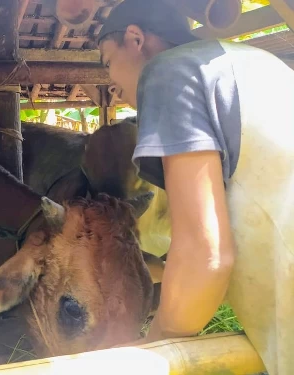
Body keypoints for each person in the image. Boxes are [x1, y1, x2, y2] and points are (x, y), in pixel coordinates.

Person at [95, 0, 294, 373]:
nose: (111, 85)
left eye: (107, 62)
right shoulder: (254, 62)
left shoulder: (168, 72)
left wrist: (154, 342)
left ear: (135, 39)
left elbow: (206, 256)